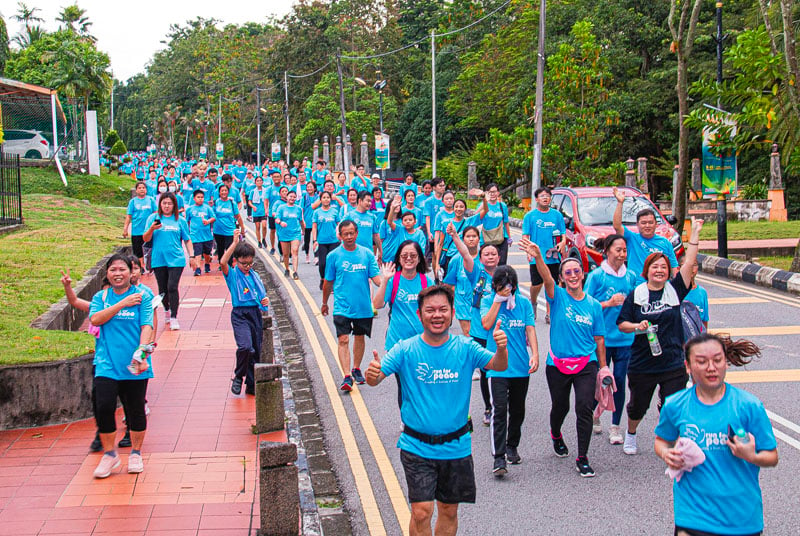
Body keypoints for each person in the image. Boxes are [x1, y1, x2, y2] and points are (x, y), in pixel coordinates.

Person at [365, 285, 508, 536]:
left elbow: (497, 365)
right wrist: (372, 374)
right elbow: (376, 377)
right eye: (430, 310)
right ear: (420, 315)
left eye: (443, 309)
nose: (437, 315)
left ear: (452, 313)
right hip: (416, 446)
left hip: (456, 445)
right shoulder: (405, 349)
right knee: (421, 511)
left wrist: (502, 348)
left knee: (449, 510)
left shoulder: (466, 347)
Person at [654, 333, 778, 536]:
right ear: (688, 366)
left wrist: (751, 456)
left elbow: (771, 457)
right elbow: (661, 441)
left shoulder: (748, 406)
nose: (711, 368)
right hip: (693, 516)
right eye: (701, 362)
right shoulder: (675, 405)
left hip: (742, 519)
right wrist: (667, 454)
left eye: (717, 360)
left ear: (726, 363)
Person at [520, 238, 607, 477]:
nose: (572, 275)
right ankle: (556, 433)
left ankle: (582, 457)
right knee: (561, 407)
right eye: (567, 272)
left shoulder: (594, 306)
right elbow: (546, 277)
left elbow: (599, 340)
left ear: (583, 274)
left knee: (584, 408)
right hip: (557, 365)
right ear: (562, 277)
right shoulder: (556, 296)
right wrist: (538, 256)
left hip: (586, 364)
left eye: (576, 271)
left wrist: (603, 367)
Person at [616, 218, 704, 456]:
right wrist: (638, 326)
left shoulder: (674, 290)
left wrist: (694, 233)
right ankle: (631, 434)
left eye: (663, 267)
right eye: (655, 267)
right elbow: (622, 324)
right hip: (643, 362)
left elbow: (689, 262)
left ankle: (666, 438)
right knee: (637, 406)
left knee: (673, 405)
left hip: (673, 361)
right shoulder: (637, 293)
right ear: (647, 271)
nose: (659, 270)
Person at [88, 254, 154, 478]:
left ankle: (135, 453)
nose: (118, 274)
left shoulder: (143, 296)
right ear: (107, 273)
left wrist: (142, 351)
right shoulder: (101, 296)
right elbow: (96, 319)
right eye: (113, 270)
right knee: (104, 406)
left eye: (122, 270)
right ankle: (109, 455)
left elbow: (147, 326)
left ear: (130, 272)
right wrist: (122, 303)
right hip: (107, 363)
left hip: (134, 363)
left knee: (135, 409)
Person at [480, 266, 539, 476]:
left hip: (520, 366)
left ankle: (512, 445)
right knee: (499, 411)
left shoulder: (522, 303)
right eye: (502, 285)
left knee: (518, 410)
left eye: (509, 285)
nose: (506, 289)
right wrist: (497, 300)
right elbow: (486, 324)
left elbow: (530, 328)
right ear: (495, 286)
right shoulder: (488, 301)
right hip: (497, 367)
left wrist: (535, 353)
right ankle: (499, 457)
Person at [584, 234, 638, 444]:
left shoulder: (630, 276)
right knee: (599, 381)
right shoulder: (597, 276)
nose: (622, 254)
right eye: (618, 250)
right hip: (601, 340)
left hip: (625, 338)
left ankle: (615, 426)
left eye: (624, 250)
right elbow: (586, 304)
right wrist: (607, 303)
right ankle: (595, 415)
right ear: (607, 251)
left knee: (619, 382)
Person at [322, 220, 381, 392]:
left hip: (363, 306)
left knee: (360, 337)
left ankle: (356, 368)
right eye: (345, 234)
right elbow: (328, 282)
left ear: (357, 233)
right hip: (342, 306)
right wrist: (325, 303)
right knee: (343, 339)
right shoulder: (333, 256)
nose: (349, 236)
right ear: (339, 235)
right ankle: (347, 376)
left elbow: (376, 279)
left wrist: (388, 282)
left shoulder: (367, 254)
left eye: (351, 233)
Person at [372, 240, 429, 408]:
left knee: (423, 383)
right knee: (404, 384)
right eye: (404, 256)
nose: (409, 259)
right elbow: (377, 304)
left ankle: (422, 420)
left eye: (413, 255)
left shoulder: (427, 282)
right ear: (399, 259)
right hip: (397, 343)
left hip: (423, 343)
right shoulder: (393, 281)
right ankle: (407, 421)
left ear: (419, 259)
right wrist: (384, 280)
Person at [220, 230, 270, 396]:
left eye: (250, 263)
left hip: (254, 313)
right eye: (243, 263)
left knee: (255, 350)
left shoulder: (254, 276)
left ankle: (251, 384)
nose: (247, 266)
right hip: (240, 314)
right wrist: (234, 243)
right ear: (237, 261)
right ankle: (238, 376)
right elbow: (222, 262)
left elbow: (260, 296)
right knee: (245, 347)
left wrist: (264, 301)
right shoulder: (233, 275)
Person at [143, 192, 193, 331]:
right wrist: (152, 228)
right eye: (164, 203)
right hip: (158, 259)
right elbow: (145, 239)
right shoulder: (153, 218)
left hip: (176, 259)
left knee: (172, 287)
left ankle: (174, 317)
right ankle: (166, 310)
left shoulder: (180, 220)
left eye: (169, 203)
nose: (166, 206)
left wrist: (192, 256)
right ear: (160, 204)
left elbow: (187, 239)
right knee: (163, 289)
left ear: (174, 205)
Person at [612, 186, 678, 280]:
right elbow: (617, 226)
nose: (647, 226)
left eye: (650, 222)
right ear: (637, 225)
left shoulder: (665, 242)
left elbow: (674, 267)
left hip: (659, 286)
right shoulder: (632, 238)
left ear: (656, 224)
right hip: (637, 286)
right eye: (643, 223)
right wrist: (620, 203)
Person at [521, 187, 566, 323]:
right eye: (542, 196)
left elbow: (563, 233)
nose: (545, 198)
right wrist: (528, 251)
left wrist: (563, 243)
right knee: (536, 283)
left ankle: (549, 313)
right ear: (536, 199)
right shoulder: (530, 216)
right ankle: (533, 302)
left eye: (547, 196)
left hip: (553, 256)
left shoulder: (557, 215)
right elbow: (525, 236)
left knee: (551, 283)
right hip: (536, 256)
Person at [442, 225, 482, 336]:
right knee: (468, 333)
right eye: (468, 236)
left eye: (474, 236)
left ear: (479, 239)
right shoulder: (456, 260)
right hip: (463, 303)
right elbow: (449, 284)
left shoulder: (485, 258)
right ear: (463, 239)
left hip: (481, 304)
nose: (471, 239)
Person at [123, 182, 157, 272]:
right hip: (136, 230)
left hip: (149, 230)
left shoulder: (151, 200)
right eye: (140, 188)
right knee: (138, 250)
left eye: (143, 188)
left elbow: (155, 214)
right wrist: (125, 229)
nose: (142, 189)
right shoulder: (133, 202)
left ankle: (150, 265)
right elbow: (128, 216)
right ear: (136, 190)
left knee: (150, 249)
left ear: (146, 190)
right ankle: (141, 266)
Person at [311, 191, 342, 290]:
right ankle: (322, 279)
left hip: (334, 241)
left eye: (328, 197)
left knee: (333, 263)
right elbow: (314, 227)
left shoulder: (334, 211)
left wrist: (340, 236)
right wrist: (315, 240)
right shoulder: (317, 212)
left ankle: (332, 283)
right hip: (322, 241)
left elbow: (339, 225)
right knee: (323, 263)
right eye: (323, 197)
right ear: (320, 200)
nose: (326, 199)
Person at [212, 183, 245, 268]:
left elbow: (237, 216)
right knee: (220, 248)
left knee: (229, 249)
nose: (224, 192)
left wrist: (242, 228)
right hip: (218, 230)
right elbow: (212, 216)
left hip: (230, 230)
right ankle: (221, 264)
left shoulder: (232, 202)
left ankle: (229, 265)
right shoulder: (216, 203)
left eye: (225, 190)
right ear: (219, 192)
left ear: (228, 192)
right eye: (222, 191)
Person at [478, 184, 511, 265]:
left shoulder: (502, 206)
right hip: (486, 238)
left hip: (501, 238)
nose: (492, 194)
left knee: (502, 263)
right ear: (486, 193)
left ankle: (500, 278)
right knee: (487, 263)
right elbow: (476, 218)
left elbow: (506, 222)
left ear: (498, 193)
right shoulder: (482, 205)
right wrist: (484, 200)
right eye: (490, 192)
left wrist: (509, 237)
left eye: (494, 192)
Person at [275, 190, 305, 280]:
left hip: (295, 233)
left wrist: (303, 230)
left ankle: (295, 271)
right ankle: (287, 268)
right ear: (287, 197)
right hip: (284, 233)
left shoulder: (298, 209)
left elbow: (301, 221)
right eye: (290, 196)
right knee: (285, 254)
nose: (292, 198)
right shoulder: (281, 208)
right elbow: (276, 219)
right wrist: (281, 222)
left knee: (295, 251)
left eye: (294, 197)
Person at [185, 190, 216, 276]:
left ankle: (207, 263)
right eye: (198, 197)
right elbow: (186, 221)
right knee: (197, 252)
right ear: (194, 198)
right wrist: (188, 231)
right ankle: (198, 268)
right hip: (195, 235)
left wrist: (208, 221)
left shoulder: (207, 208)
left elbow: (213, 217)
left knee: (207, 253)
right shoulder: (190, 209)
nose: (200, 199)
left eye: (202, 197)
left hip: (207, 236)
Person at [350, 191, 382, 261]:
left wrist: (380, 251)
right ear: (360, 201)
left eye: (370, 201)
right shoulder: (349, 216)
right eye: (367, 201)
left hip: (368, 253)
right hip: (352, 253)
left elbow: (376, 235)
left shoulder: (372, 217)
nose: (370, 203)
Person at [684, 258, 709, 330]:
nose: (691, 268)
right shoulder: (674, 291)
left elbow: (704, 320)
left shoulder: (702, 292)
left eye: (694, 265)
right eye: (687, 265)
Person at [248, 176, 269, 248]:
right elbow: (249, 202)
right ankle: (259, 241)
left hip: (263, 211)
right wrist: (253, 206)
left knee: (264, 226)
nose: (259, 182)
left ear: (262, 182)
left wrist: (267, 208)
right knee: (257, 227)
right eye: (257, 181)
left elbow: (268, 200)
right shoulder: (253, 191)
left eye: (260, 181)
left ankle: (264, 238)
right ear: (255, 182)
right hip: (256, 212)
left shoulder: (266, 190)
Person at [302, 181, 319, 264]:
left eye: (311, 187)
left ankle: (316, 256)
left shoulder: (318, 197)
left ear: (314, 188)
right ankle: (307, 255)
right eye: (308, 187)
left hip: (316, 221)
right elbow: (301, 209)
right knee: (307, 240)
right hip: (307, 221)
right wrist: (302, 220)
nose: (309, 188)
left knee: (315, 239)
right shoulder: (304, 197)